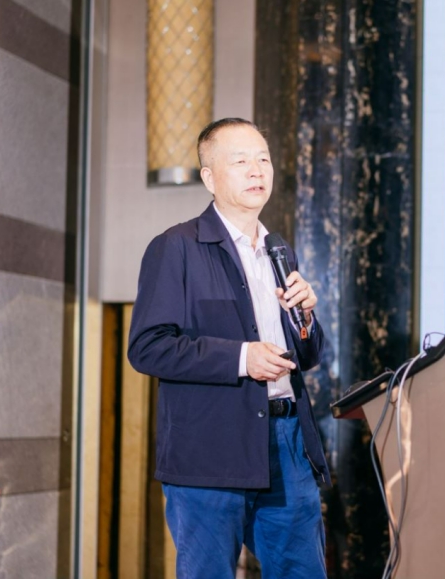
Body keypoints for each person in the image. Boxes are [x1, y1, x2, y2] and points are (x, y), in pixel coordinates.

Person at [127, 118, 330, 579]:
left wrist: (305, 319)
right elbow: (147, 347)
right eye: (240, 161)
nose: (257, 170)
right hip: (210, 449)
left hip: (287, 443)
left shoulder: (279, 251)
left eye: (263, 159)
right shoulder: (177, 247)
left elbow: (307, 356)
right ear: (209, 177)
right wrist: (242, 358)